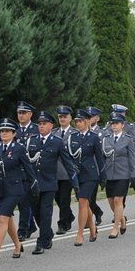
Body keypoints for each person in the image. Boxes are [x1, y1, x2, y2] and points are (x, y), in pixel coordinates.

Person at [0, 118, 39, 263]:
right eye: (2, 131)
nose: (4, 133)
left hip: (14, 189)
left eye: (7, 131)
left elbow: (28, 168)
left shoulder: (19, 148)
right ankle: (17, 245)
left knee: (3, 219)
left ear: (14, 133)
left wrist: (34, 185)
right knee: (7, 219)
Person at [25, 111, 78, 254]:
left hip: (49, 184)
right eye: (39, 124)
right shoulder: (31, 140)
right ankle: (47, 232)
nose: (41, 126)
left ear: (51, 125)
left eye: (44, 124)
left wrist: (75, 183)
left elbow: (67, 163)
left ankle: (41, 242)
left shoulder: (57, 142)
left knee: (46, 213)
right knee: (36, 213)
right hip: (33, 184)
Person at [68, 109, 106, 245]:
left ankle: (80, 233)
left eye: (81, 121)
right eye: (77, 122)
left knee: (82, 201)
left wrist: (103, 176)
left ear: (87, 122)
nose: (78, 124)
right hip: (78, 175)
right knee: (85, 203)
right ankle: (92, 229)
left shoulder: (94, 137)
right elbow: (69, 157)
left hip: (90, 175)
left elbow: (100, 158)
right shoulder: (72, 137)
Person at [102, 112, 135, 237]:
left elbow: (132, 158)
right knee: (111, 201)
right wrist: (101, 175)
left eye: (116, 123)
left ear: (122, 125)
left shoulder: (128, 139)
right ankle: (122, 218)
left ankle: (115, 228)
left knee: (118, 200)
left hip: (123, 174)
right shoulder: (106, 139)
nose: (114, 125)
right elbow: (103, 158)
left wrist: (134, 175)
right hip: (109, 174)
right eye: (112, 123)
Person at [15, 101, 38, 242]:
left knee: (27, 201)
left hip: (32, 170)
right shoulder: (13, 130)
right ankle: (28, 226)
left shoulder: (36, 129)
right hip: (17, 171)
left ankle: (24, 229)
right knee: (21, 201)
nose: (21, 115)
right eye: (19, 113)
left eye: (24, 113)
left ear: (30, 114)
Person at [53, 105, 77, 234]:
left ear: (70, 118)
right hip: (54, 171)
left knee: (64, 199)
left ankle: (63, 224)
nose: (62, 119)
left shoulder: (75, 133)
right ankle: (69, 215)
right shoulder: (54, 133)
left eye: (65, 116)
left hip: (67, 172)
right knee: (57, 198)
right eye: (60, 117)